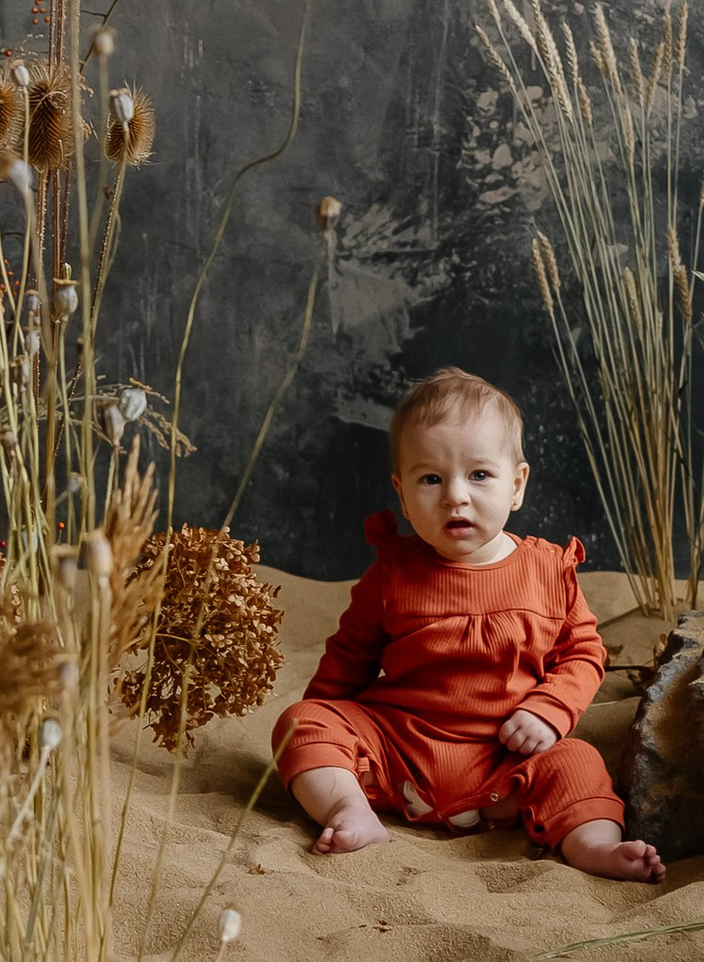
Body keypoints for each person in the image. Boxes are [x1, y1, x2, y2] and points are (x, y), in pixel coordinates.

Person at [272, 369, 666, 880]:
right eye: (431, 479)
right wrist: (326, 735)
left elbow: (583, 653)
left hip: (506, 760)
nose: (455, 495)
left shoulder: (548, 573)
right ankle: (350, 807)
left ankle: (594, 845)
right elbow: (346, 662)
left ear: (516, 485)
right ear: (403, 495)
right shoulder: (391, 576)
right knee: (302, 722)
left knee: (577, 762)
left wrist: (550, 711)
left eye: (479, 475)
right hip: (400, 755)